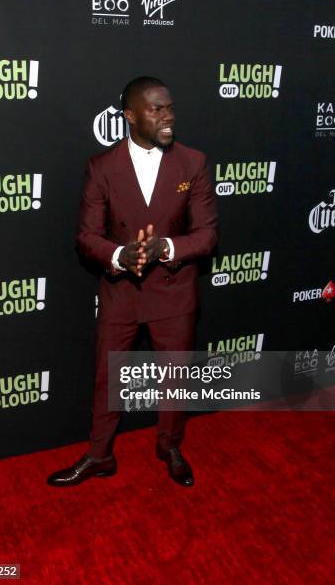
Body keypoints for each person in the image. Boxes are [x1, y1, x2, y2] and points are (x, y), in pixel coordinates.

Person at [47, 76, 217, 488]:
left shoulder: (193, 162)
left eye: (170, 107)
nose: (168, 116)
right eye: (156, 109)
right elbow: (86, 236)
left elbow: (207, 235)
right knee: (109, 377)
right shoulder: (102, 167)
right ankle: (100, 455)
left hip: (173, 291)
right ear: (129, 116)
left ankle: (170, 446)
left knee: (175, 378)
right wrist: (122, 255)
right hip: (121, 292)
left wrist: (167, 249)